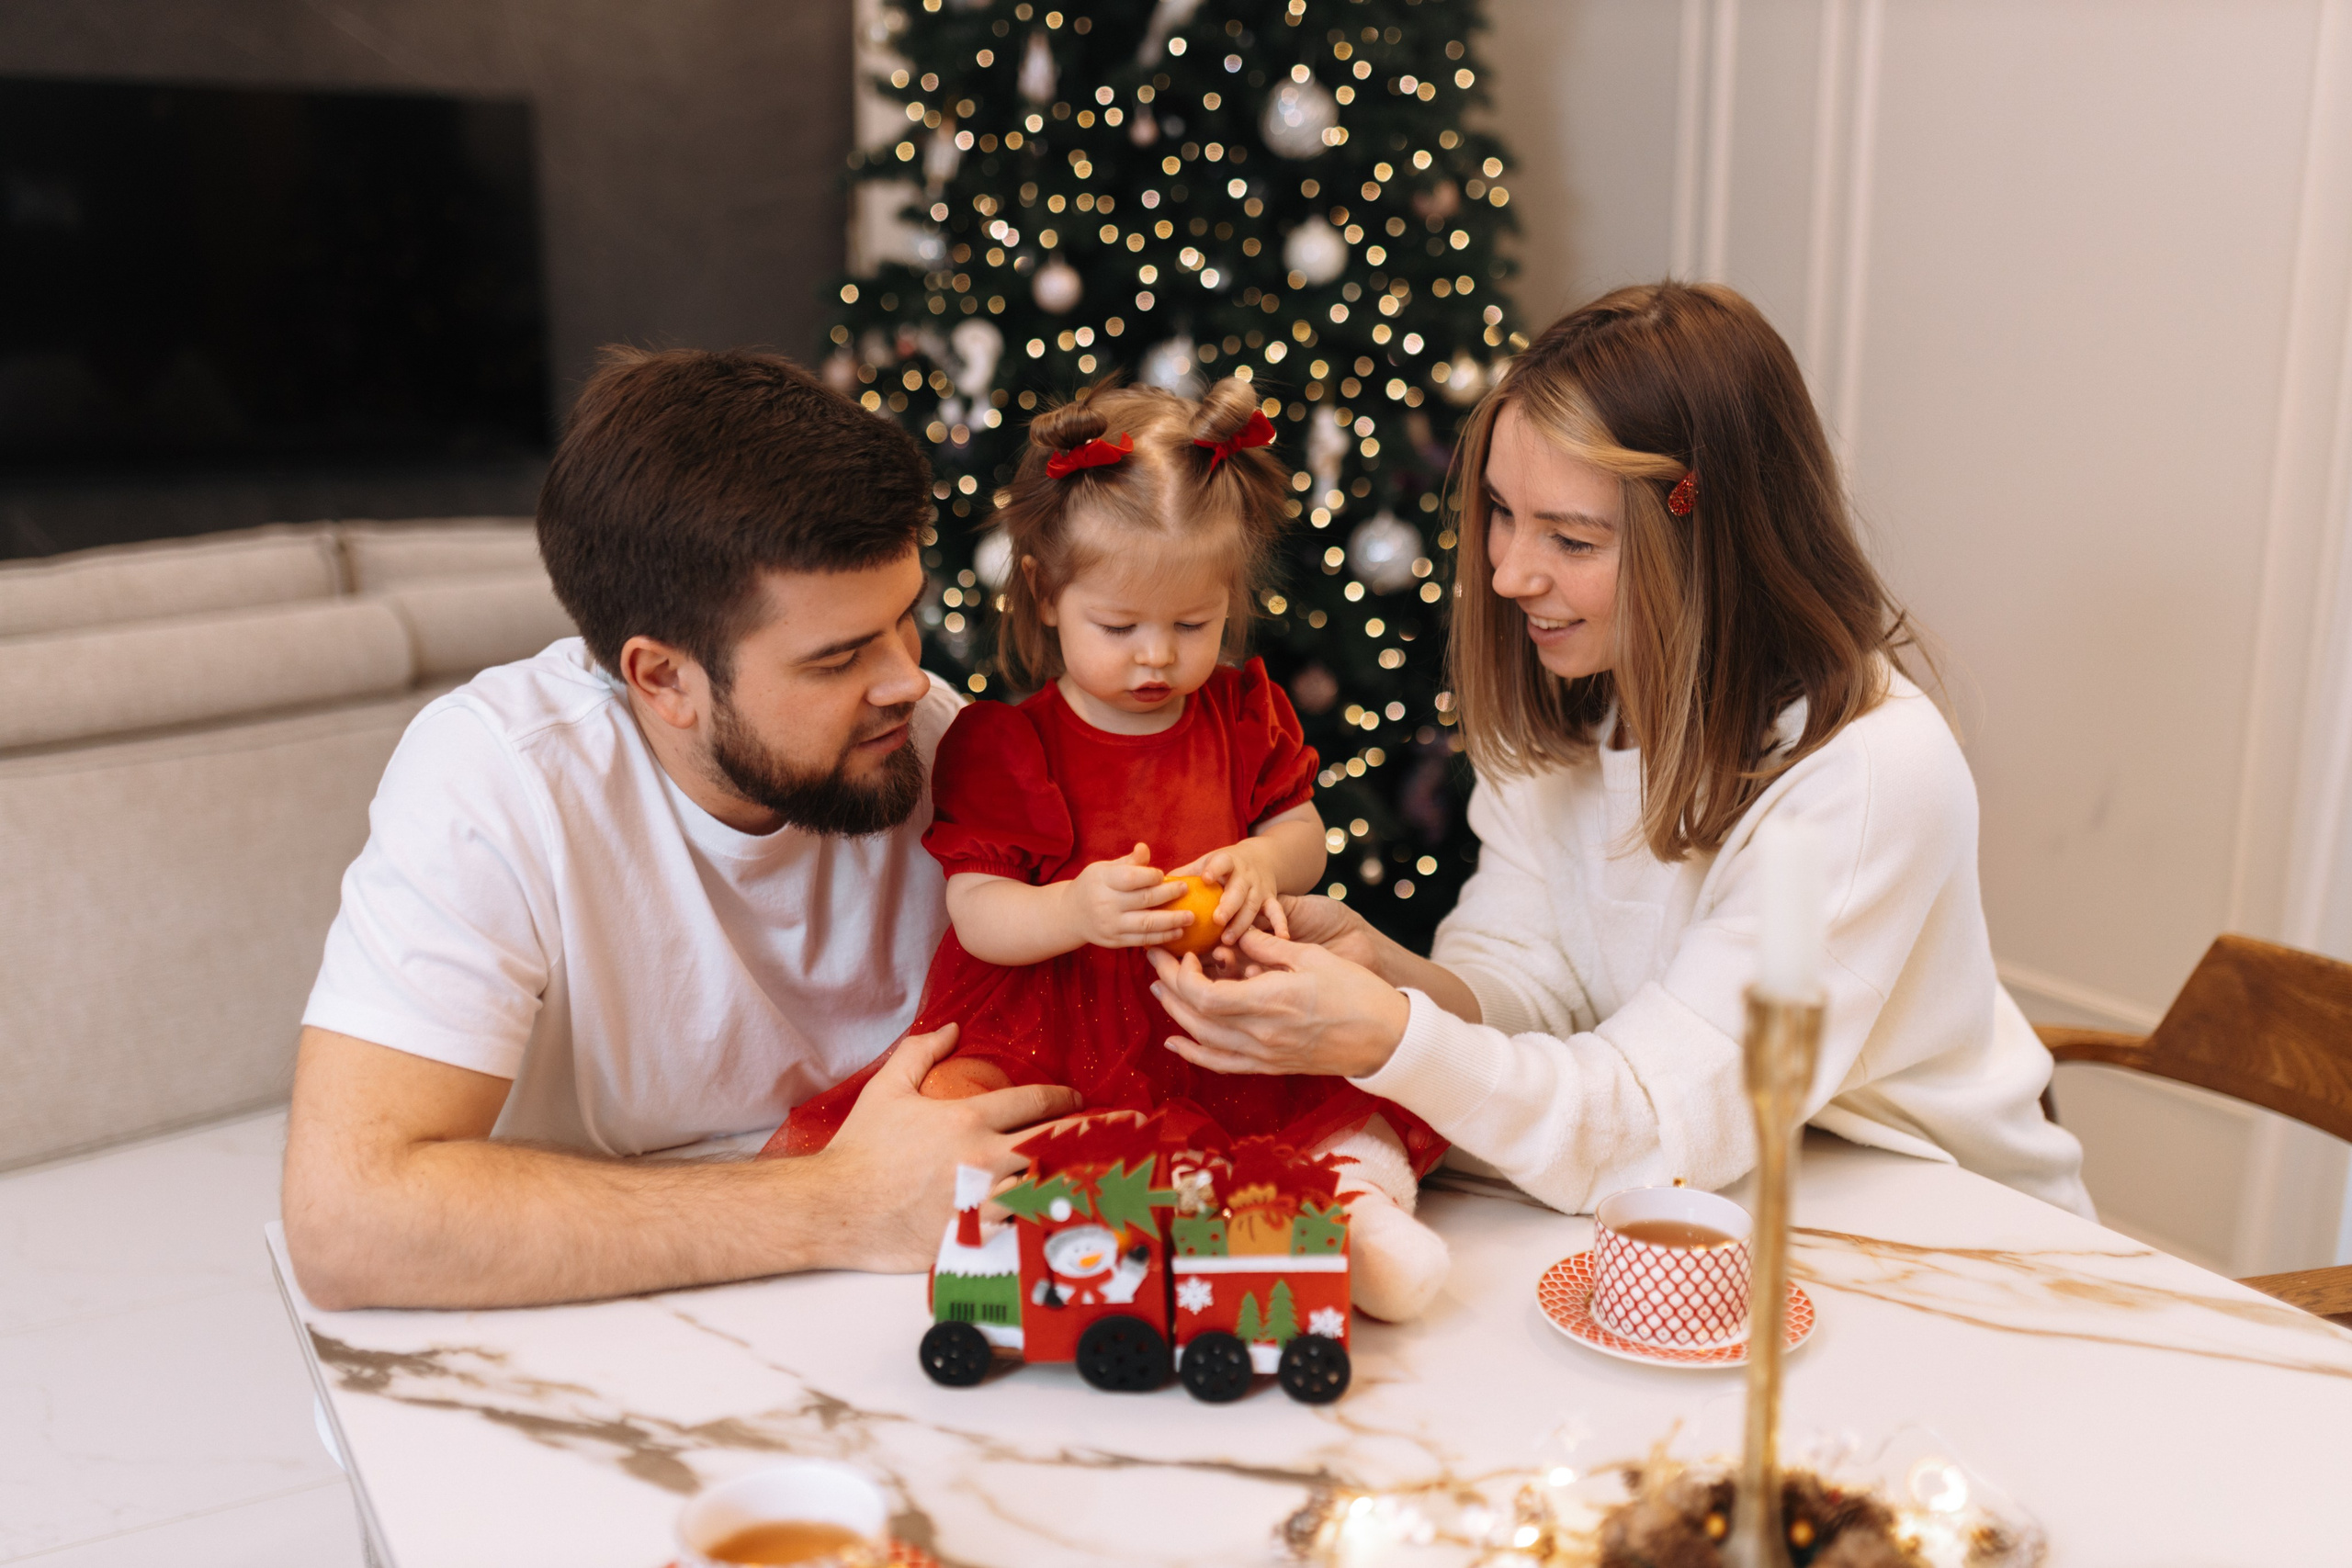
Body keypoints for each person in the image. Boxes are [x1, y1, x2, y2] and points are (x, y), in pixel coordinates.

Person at [1146, 282, 2093, 1219]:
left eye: (1571, 538)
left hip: (1956, 1233)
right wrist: (1390, 975)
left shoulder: (1871, 772)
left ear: (1710, 542)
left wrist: (1389, 1037)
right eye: (1502, 512)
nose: (1509, 573)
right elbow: (1533, 982)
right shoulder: (1574, 705)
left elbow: (1652, 1135)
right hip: (1756, 1202)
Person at [280, 348, 1080, 1311]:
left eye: (903, 619)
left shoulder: (941, 746)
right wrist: (838, 1202)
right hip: (599, 1317)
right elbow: (346, 1221)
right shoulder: (500, 780)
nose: (908, 680)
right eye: (837, 659)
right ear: (663, 679)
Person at [770, 379, 1453, 1320]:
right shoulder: (1008, 745)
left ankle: (1355, 1212)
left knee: (1329, 1106)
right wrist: (1073, 909)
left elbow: (1302, 834)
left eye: (1191, 626)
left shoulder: (1240, 713)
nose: (1156, 657)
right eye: (1119, 627)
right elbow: (977, 911)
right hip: (1054, 1022)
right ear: (1046, 595)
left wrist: (1263, 863)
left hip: (1213, 999)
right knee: (970, 1123)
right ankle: (1057, 1248)